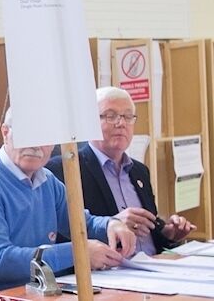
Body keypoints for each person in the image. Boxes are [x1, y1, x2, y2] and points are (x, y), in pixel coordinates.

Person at [0, 107, 136, 301]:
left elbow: (82, 225)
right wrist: (79, 251)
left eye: (43, 137)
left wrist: (111, 225)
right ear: (5, 133)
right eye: (26, 135)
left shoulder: (48, 181)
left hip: (35, 293)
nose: (35, 145)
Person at [46, 86, 195, 255]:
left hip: (154, 266)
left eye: (128, 117)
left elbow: (149, 232)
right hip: (108, 273)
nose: (121, 123)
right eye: (111, 116)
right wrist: (112, 224)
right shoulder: (65, 169)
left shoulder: (139, 171)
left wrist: (168, 234)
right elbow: (60, 234)